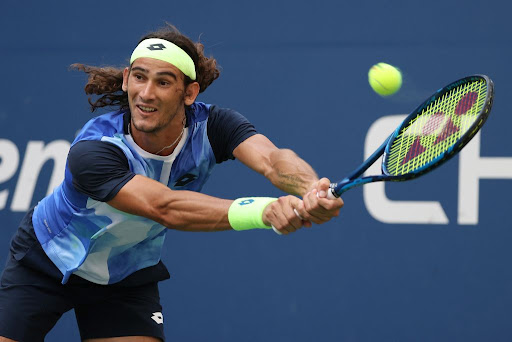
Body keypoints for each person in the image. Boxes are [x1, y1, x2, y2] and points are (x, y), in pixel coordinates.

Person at [0, 24, 344, 342]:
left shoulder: (213, 126)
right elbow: (165, 207)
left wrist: (311, 188)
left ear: (189, 92)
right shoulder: (94, 150)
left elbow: (272, 160)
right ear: (126, 80)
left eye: (163, 82)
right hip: (45, 261)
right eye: (139, 78)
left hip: (125, 273)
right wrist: (265, 211)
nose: (146, 93)